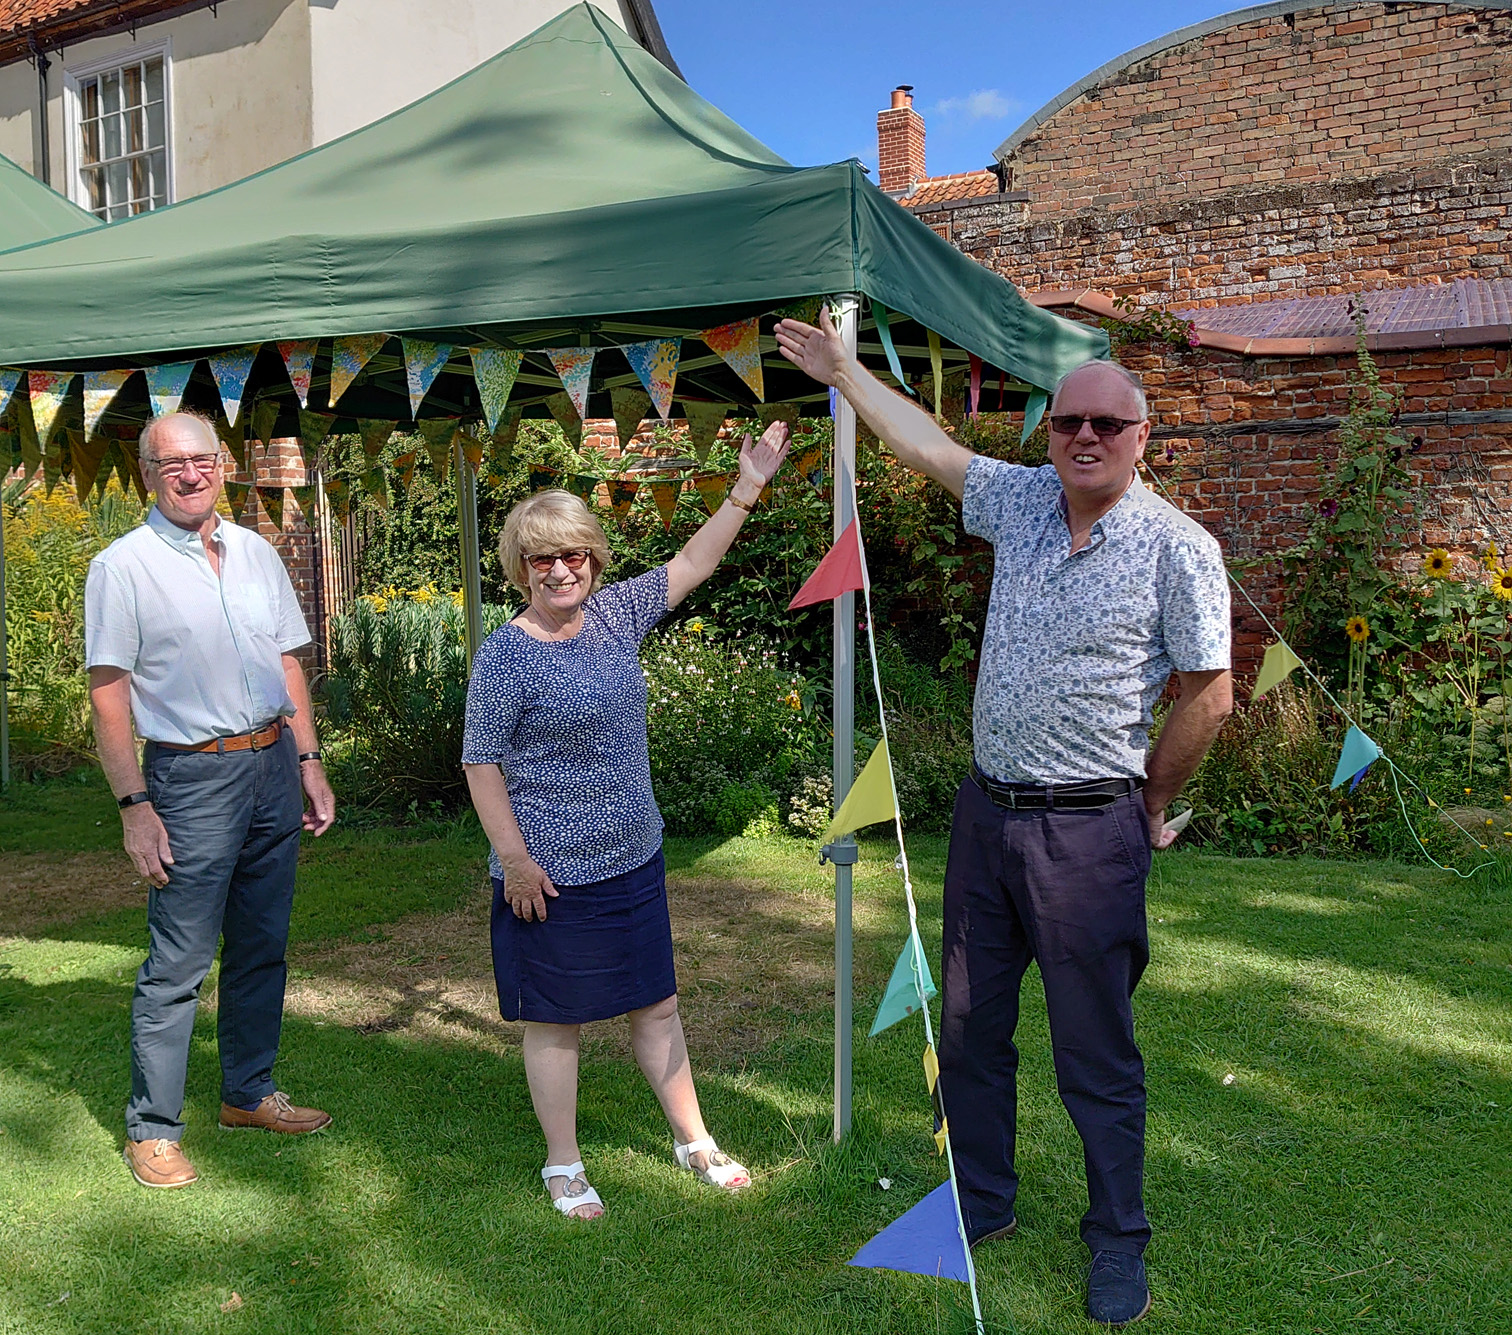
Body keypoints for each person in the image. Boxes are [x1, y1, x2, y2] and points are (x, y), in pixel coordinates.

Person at [775, 313, 1232, 1327]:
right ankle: (981, 1201)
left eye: (1108, 425)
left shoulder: (1177, 549)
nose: (1084, 437)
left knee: (1094, 1049)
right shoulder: (1022, 502)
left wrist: (1149, 804)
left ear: (1143, 436)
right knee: (973, 1027)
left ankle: (1118, 1239)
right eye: (1069, 419)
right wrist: (846, 372)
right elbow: (929, 447)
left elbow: (1209, 693)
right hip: (988, 820)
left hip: (1089, 835)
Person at [463, 423, 791, 1220]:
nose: (560, 569)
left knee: (659, 1005)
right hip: (550, 875)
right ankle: (564, 1163)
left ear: (594, 558)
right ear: (521, 569)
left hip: (634, 860)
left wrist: (746, 484)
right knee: (557, 1021)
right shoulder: (506, 655)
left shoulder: (615, 615)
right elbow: (481, 762)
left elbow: (695, 561)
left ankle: (693, 1138)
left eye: (573, 553)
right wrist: (514, 858)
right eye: (542, 557)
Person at [85, 411, 336, 1190]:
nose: (190, 474)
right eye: (172, 464)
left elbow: (288, 665)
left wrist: (311, 760)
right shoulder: (121, 567)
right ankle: (152, 1129)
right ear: (147, 474)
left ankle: (249, 1093)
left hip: (270, 765)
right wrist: (134, 804)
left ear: (222, 464)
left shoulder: (257, 551)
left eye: (201, 460)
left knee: (263, 942)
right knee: (180, 960)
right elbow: (108, 695)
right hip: (189, 781)